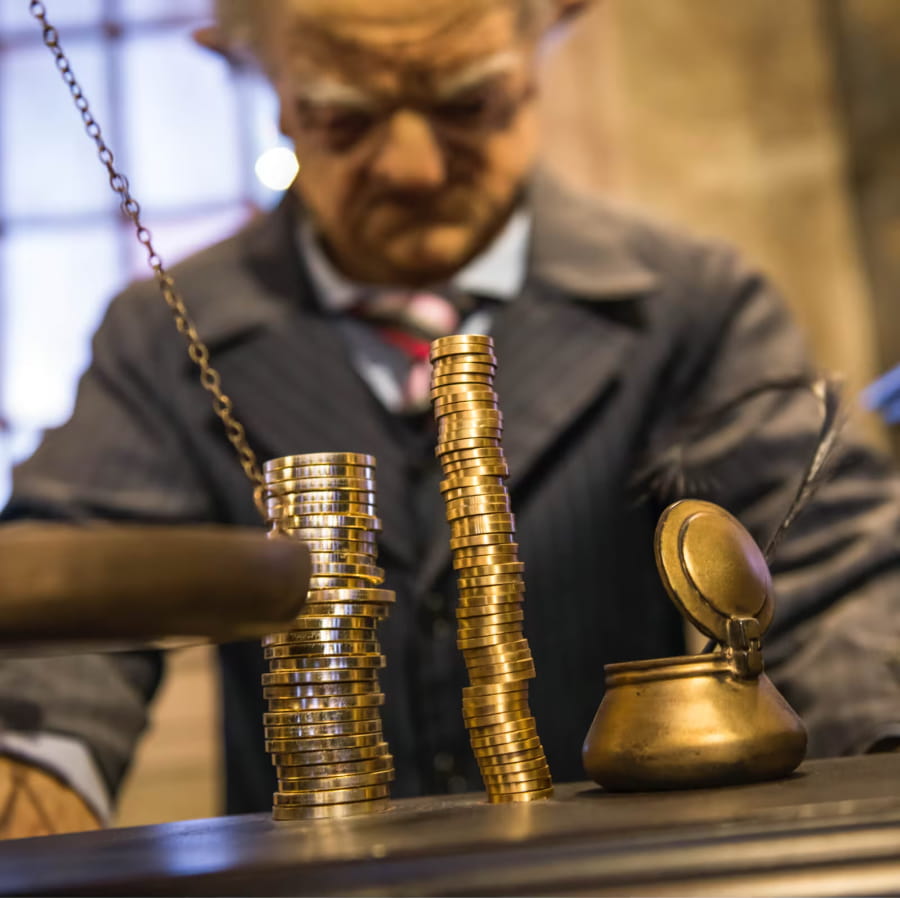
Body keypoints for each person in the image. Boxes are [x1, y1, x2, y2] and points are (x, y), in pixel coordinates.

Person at [3, 0, 900, 836]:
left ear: (539, 54)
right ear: (270, 91)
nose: (413, 169)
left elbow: (838, 582)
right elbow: (73, 595)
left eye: (470, 104)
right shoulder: (163, 335)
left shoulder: (691, 305)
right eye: (344, 117)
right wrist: (30, 766)